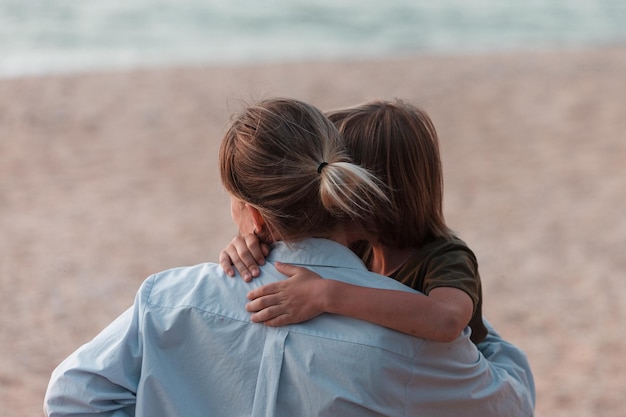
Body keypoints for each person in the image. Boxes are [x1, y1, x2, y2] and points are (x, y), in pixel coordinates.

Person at [44, 97, 534, 417]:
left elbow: (73, 398)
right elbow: (509, 405)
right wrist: (494, 350)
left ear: (252, 215)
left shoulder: (168, 300)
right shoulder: (410, 344)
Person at [220, 99, 535, 403]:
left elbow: (446, 320)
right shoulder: (359, 247)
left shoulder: (446, 256)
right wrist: (248, 240)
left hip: (455, 396)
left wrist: (326, 294)